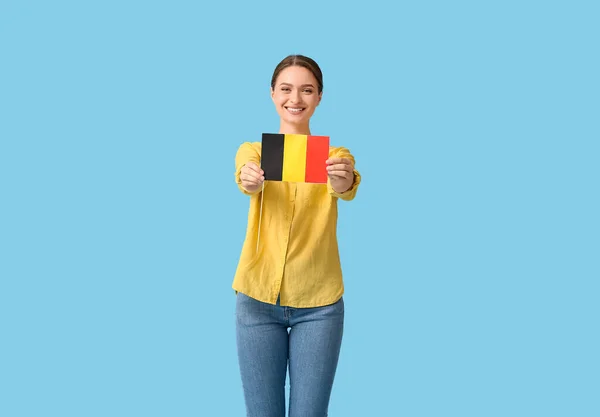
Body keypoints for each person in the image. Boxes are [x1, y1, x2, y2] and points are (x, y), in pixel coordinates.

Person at [232, 54, 361, 417]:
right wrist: (249, 178)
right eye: (286, 88)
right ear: (272, 93)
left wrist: (343, 178)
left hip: (319, 305)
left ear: (320, 97)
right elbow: (244, 174)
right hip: (257, 300)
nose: (296, 98)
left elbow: (347, 183)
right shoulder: (254, 152)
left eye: (307, 90)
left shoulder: (335, 156)